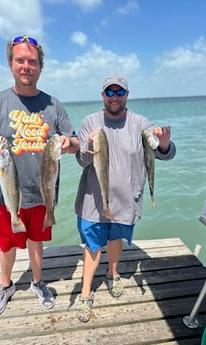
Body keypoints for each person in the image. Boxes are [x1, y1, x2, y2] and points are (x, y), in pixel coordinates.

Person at [0, 35, 79, 317]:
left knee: (36, 242)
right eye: (20, 60)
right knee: (6, 244)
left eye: (32, 62)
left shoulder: (53, 105)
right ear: (11, 64)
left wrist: (68, 144)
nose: (26, 66)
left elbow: (75, 140)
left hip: (42, 196)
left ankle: (37, 281)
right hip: (7, 197)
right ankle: (6, 285)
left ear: (40, 67)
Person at [74, 74, 176, 322]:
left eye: (120, 92)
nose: (115, 97)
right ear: (102, 95)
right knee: (92, 246)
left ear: (127, 95)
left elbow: (163, 155)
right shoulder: (91, 122)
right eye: (110, 92)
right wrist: (87, 145)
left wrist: (164, 143)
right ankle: (86, 292)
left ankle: (113, 273)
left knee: (116, 237)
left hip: (127, 200)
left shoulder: (141, 123)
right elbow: (81, 160)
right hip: (93, 201)